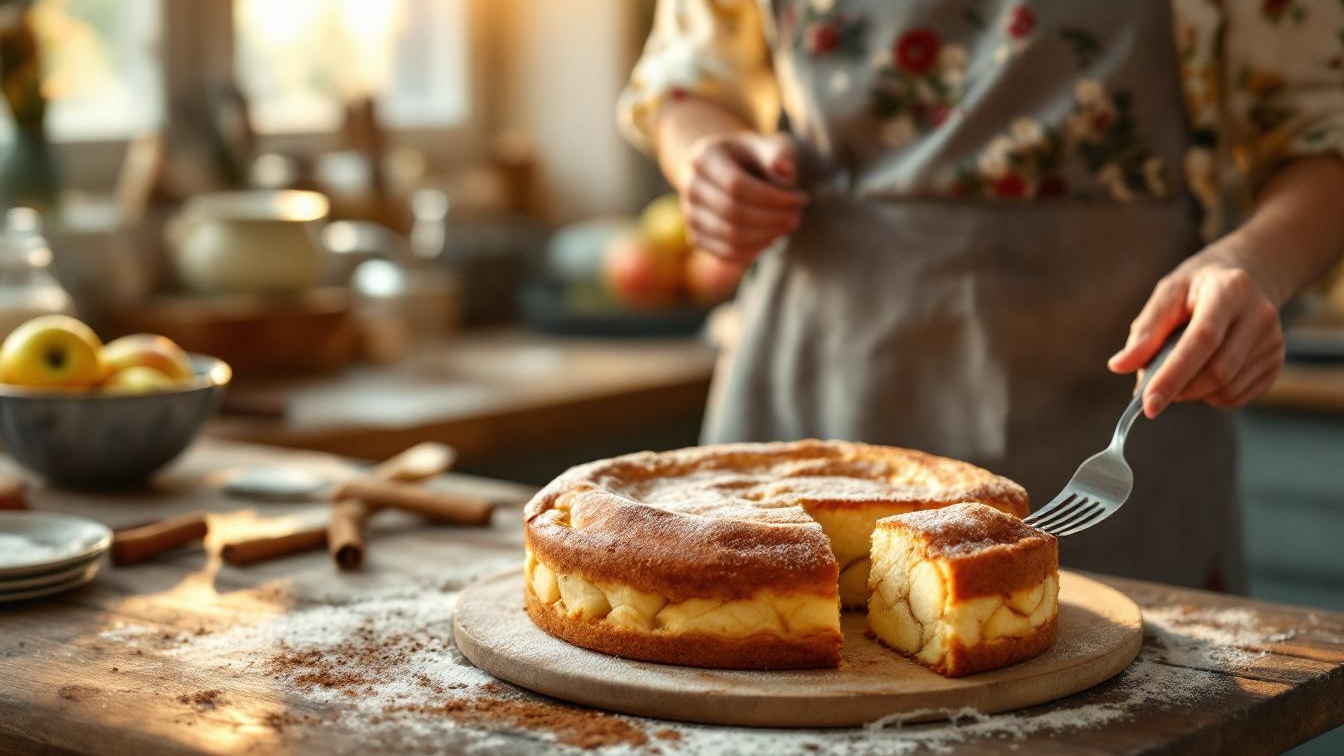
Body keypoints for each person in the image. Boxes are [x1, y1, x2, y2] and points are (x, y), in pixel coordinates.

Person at [617, 1, 1344, 591]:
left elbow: (1323, 126)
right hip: (814, 380)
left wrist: (1256, 262)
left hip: (1116, 412)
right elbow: (689, 78)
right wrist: (704, 161)